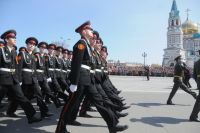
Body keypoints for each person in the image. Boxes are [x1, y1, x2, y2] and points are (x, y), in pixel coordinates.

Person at [55, 21, 128, 133]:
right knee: (70, 105)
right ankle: (60, 128)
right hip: (80, 80)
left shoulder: (87, 45)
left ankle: (112, 125)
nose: (91, 31)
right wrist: (74, 82)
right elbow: (76, 64)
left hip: (88, 80)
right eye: (89, 29)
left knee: (99, 101)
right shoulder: (80, 44)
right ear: (83, 31)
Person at [0, 30, 41, 123]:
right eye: (12, 38)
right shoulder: (1, 50)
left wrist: (18, 79)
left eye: (15, 38)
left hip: (13, 78)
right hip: (2, 79)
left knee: (21, 96)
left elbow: (17, 67)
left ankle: (31, 116)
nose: (15, 39)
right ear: (6, 39)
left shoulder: (14, 52)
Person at [17, 37, 53, 118]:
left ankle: (44, 112)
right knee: (24, 96)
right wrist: (19, 80)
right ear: (27, 44)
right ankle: (12, 108)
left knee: (39, 94)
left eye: (33, 44)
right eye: (30, 43)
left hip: (33, 78)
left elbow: (34, 69)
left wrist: (36, 78)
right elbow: (18, 68)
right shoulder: (22, 54)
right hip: (25, 78)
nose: (31, 45)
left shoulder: (33, 56)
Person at [189, 50, 200, 122]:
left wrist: (198, 82)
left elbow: (194, 75)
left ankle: (193, 116)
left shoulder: (196, 63)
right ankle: (193, 116)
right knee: (199, 101)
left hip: (199, 82)